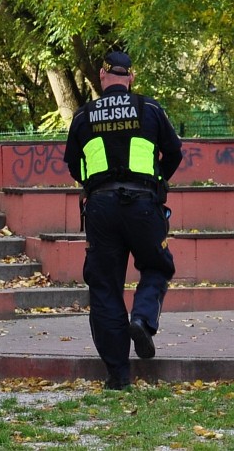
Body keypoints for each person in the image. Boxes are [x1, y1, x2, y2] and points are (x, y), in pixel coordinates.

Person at [63, 50, 183, 390]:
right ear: (130, 77)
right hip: (144, 204)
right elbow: (174, 152)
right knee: (157, 267)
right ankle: (143, 320)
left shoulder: (84, 115)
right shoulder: (149, 108)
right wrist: (158, 182)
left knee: (104, 287)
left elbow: (73, 162)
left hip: (101, 207)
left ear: (103, 77)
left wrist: (91, 185)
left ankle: (118, 376)